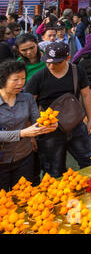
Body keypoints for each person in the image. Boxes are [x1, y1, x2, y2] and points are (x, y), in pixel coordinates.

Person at [24, 42, 91, 178]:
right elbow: (29, 106)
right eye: (48, 62)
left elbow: (86, 95)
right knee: (54, 170)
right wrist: (31, 135)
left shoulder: (77, 71)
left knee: (90, 161)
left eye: (56, 63)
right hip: (49, 131)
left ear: (67, 58)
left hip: (75, 125)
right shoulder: (37, 78)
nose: (51, 66)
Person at [0, 60, 57, 190]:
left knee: (24, 196)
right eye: (15, 79)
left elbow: (37, 120)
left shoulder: (27, 98)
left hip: (24, 157)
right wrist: (22, 133)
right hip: (2, 159)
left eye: (23, 78)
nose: (21, 83)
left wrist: (48, 124)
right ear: (3, 80)